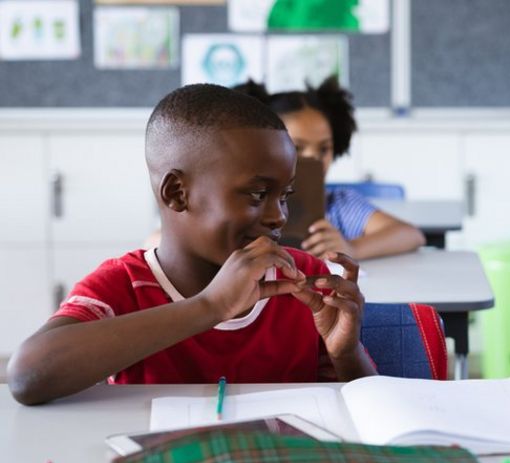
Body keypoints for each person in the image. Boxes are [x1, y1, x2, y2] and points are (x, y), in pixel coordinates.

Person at [8, 84, 376, 405]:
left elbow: (366, 409)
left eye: (284, 196)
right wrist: (209, 306)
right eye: (257, 194)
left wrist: (346, 353)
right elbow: (28, 376)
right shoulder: (123, 287)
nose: (278, 216)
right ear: (177, 193)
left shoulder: (302, 277)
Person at [234, 77, 425, 260]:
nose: (315, 158)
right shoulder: (247, 205)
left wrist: (352, 248)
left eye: (324, 149)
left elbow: (411, 235)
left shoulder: (339, 205)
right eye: (297, 148)